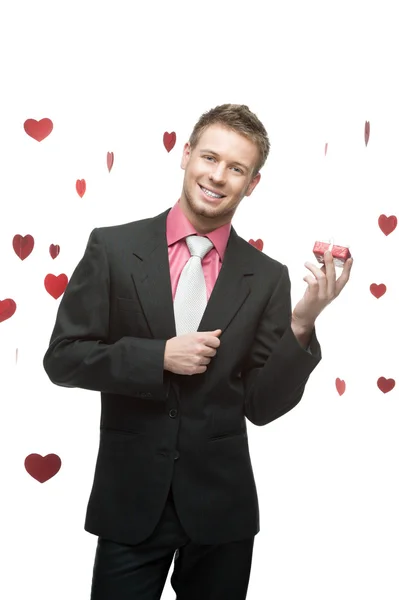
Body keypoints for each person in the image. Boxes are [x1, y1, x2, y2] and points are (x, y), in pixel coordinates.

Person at [43, 103, 353, 599]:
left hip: (221, 513)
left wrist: (302, 322)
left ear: (252, 184)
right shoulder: (113, 249)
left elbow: (262, 406)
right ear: (186, 155)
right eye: (210, 157)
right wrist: (156, 356)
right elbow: (62, 358)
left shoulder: (267, 276)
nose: (218, 175)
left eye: (237, 168)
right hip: (130, 502)